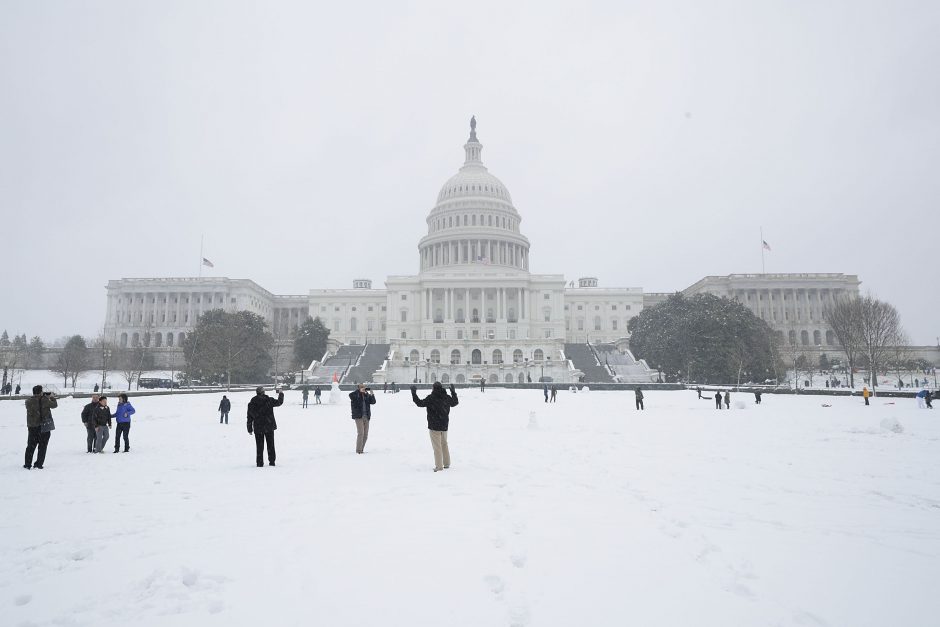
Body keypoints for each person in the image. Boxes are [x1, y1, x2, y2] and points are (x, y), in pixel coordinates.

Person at [411, 382, 459, 472]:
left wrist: (413, 393)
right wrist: (453, 392)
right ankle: (447, 463)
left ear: (433, 388)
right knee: (444, 444)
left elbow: (420, 403)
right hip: (444, 425)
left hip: (434, 426)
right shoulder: (446, 397)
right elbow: (455, 402)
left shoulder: (431, 398)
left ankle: (439, 466)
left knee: (437, 447)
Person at [247, 386, 284, 467]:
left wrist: (249, 428)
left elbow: (249, 417)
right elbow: (279, 402)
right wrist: (281, 393)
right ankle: (272, 462)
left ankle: (259, 463)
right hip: (269, 426)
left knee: (259, 446)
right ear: (263, 392)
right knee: (270, 445)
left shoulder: (252, 403)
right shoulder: (269, 400)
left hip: (258, 427)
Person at [24, 385, 57, 469]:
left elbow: (34, 404)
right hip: (44, 427)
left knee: (30, 446)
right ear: (41, 392)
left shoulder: (28, 401)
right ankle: (39, 464)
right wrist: (51, 397)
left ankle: (27, 464)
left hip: (32, 427)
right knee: (42, 447)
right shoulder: (45, 400)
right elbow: (54, 405)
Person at [349, 383, 376, 454]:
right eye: (361, 387)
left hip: (366, 417)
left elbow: (373, 402)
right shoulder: (355, 395)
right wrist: (359, 392)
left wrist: (371, 393)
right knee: (361, 433)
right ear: (358, 388)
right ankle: (358, 450)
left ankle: (361, 449)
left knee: (365, 435)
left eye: (364, 387)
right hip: (358, 416)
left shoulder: (366, 395)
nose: (363, 388)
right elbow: (351, 395)